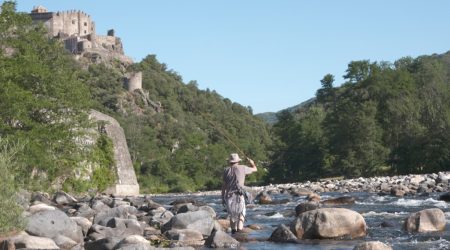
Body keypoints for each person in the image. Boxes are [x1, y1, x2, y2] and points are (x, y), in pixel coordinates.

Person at [221, 153, 257, 233]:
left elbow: (224, 186)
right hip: (239, 195)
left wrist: (222, 197)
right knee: (241, 214)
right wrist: (252, 163)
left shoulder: (226, 170)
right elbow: (255, 169)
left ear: (229, 162)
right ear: (238, 161)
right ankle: (239, 233)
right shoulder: (243, 168)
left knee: (232, 216)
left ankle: (234, 233)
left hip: (229, 196)